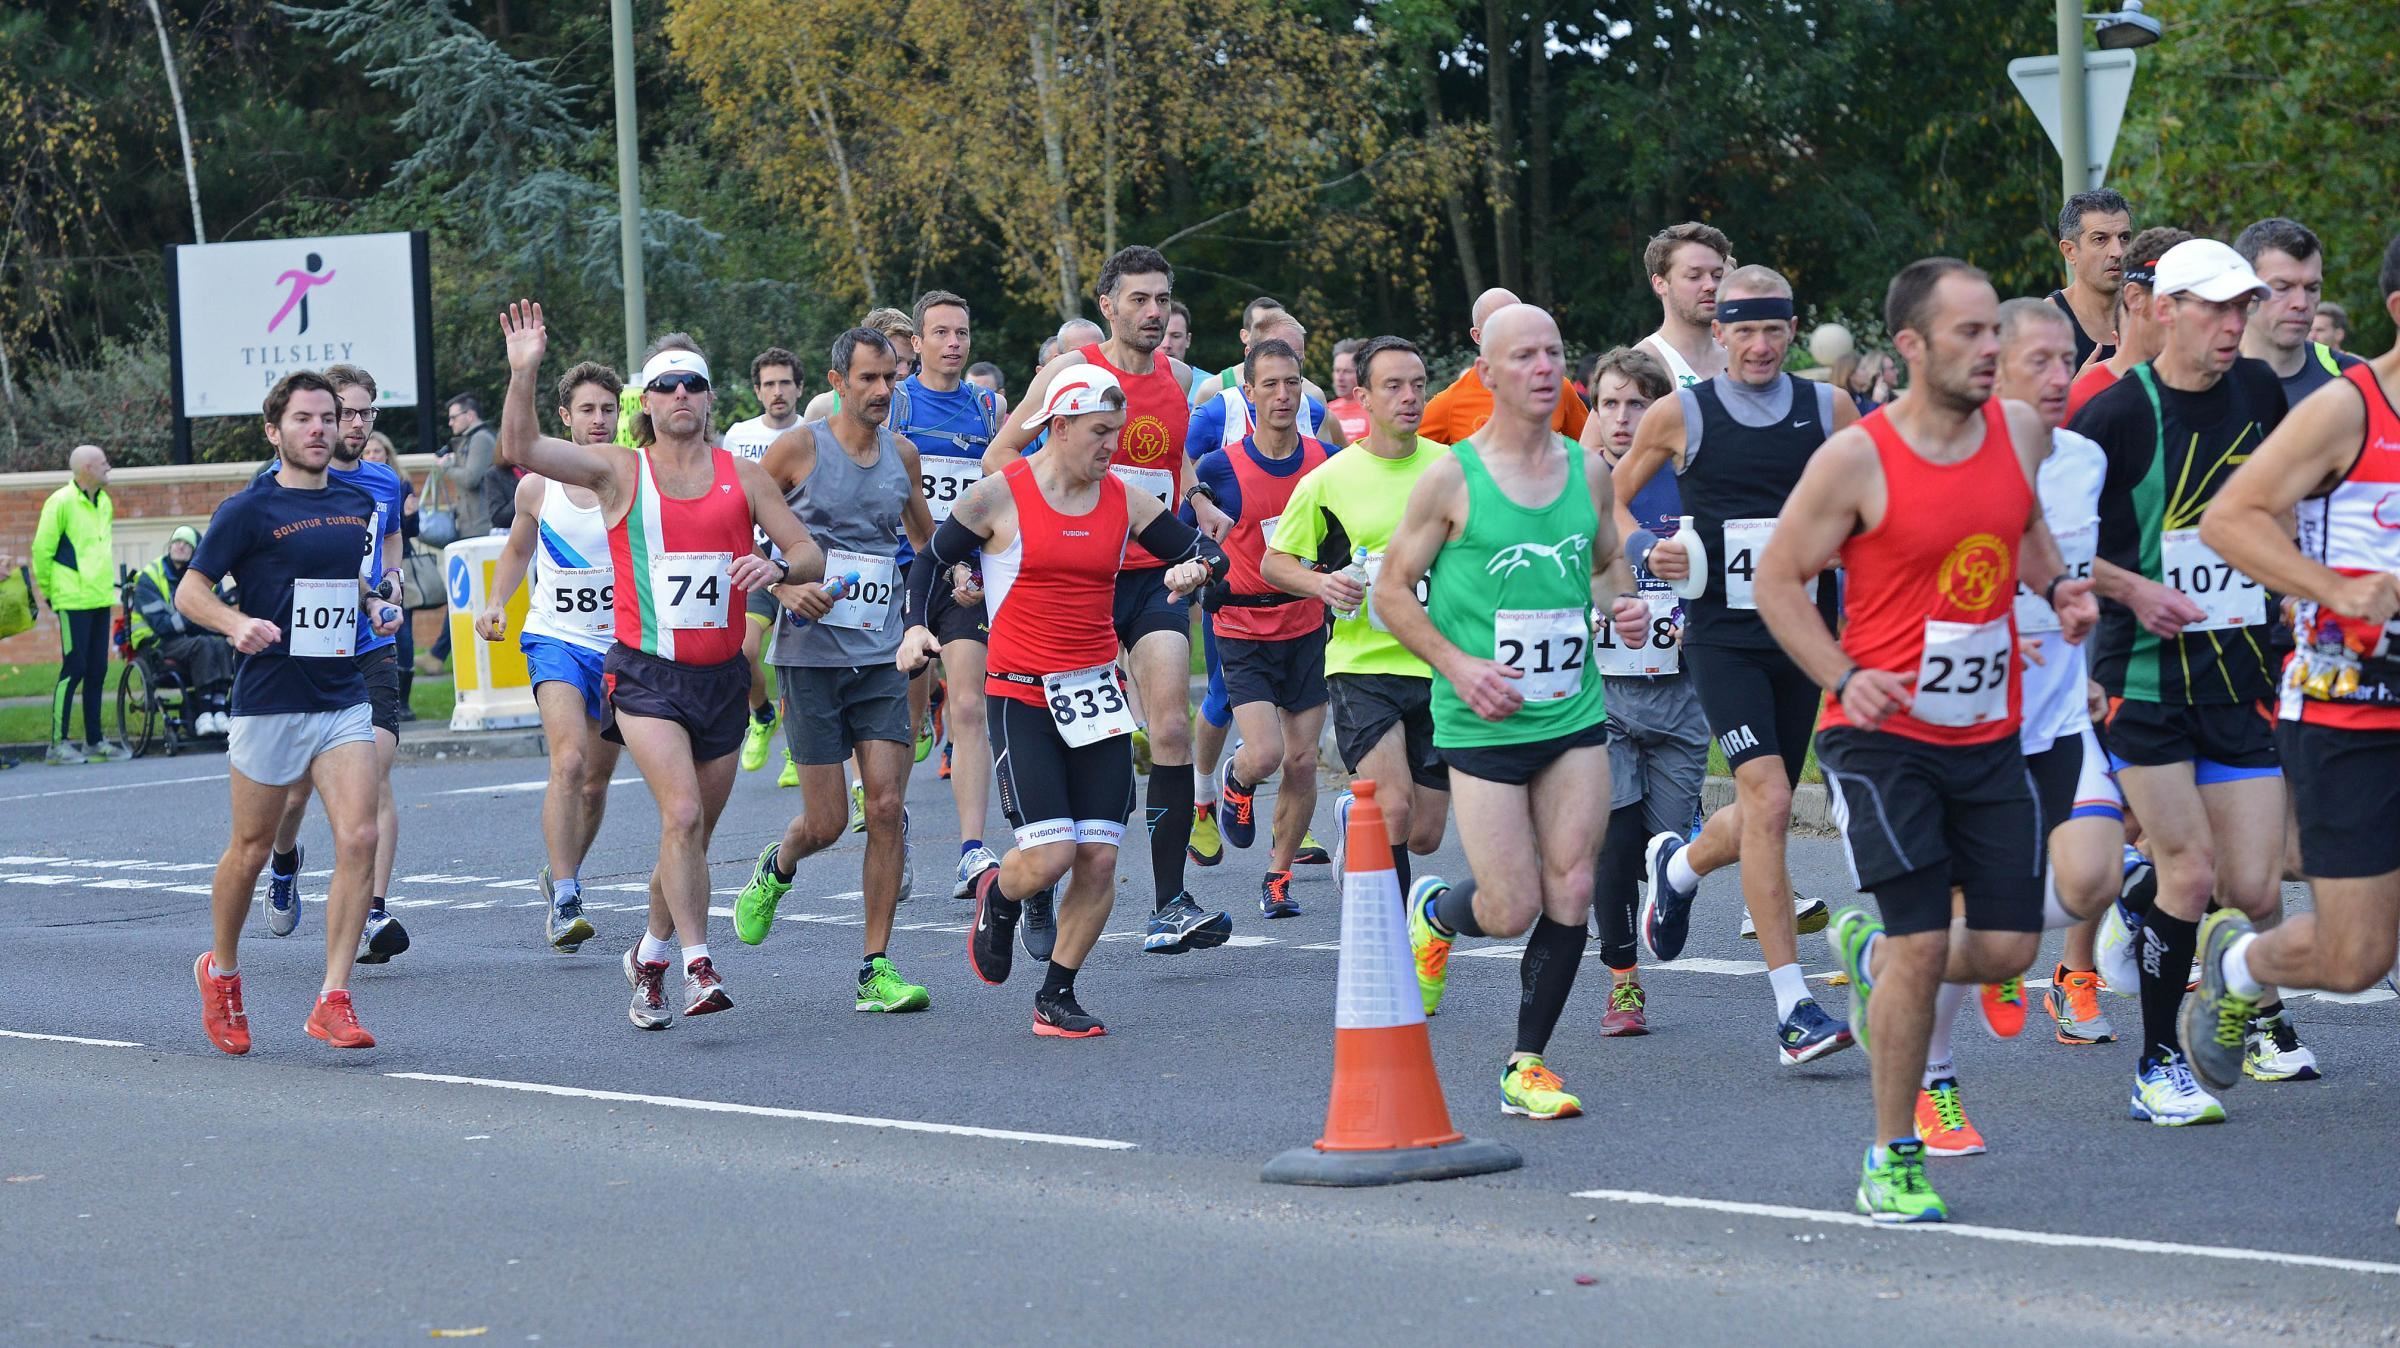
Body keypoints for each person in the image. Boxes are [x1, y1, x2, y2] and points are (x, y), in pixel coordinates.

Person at [1766, 258, 2093, 1224]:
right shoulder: (1858, 458)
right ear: (1910, 346)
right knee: (1922, 940)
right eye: (1969, 335)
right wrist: (1839, 675)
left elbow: (2022, 524)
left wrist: (2059, 585)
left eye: (1996, 331)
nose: (1991, 350)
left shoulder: (2023, 432)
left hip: (1989, 728)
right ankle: (1891, 1154)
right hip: (1881, 735)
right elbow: (1781, 580)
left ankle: (1871, 963)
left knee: (2004, 946)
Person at [495, 302, 826, 1028]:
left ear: (710, 400)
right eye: (667, 386)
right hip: (644, 676)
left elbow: (808, 553)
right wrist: (525, 372)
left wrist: (771, 567)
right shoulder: (618, 471)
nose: (681, 397)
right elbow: (519, 444)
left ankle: (648, 954)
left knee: (692, 838)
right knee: (678, 814)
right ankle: (698, 967)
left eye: (693, 386)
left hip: (721, 683)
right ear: (646, 404)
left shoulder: (745, 477)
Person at [1384, 302, 1649, 1122]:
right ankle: (1439, 912)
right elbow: (1392, 592)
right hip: (1482, 717)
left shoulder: (1588, 469)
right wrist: (1459, 665)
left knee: (1572, 883)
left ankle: (1526, 1063)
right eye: (1525, 356)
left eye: (1554, 353)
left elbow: (1603, 568)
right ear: (1488, 373)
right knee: (1510, 907)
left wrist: (1625, 605)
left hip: (1570, 711)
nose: (1544, 368)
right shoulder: (1449, 477)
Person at [911, 367, 1226, 1036]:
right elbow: (930, 559)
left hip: (1097, 697)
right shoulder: (1000, 495)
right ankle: (1000, 896)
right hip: (1021, 696)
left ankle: (1056, 994)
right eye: (1100, 432)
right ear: (1058, 426)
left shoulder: (1125, 499)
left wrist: (1197, 567)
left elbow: (1202, 549)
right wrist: (918, 626)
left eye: (1116, 431)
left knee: (1101, 857)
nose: (1114, 445)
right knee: (1051, 857)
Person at [2069, 237, 2302, 1121]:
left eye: (2242, 307)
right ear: (2165, 309)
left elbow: (2282, 504)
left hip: (2241, 676)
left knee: (2257, 886)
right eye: (2216, 308)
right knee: (2193, 871)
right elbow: (2046, 545)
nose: (2234, 324)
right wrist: (2133, 587)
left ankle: (2212, 971)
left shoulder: (2259, 391)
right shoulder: (2117, 415)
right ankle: (2158, 1062)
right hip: (2143, 680)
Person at [1613, 264, 1858, 1064]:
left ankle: (1679, 866)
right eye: (1742, 329)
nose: (1758, 344)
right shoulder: (1680, 412)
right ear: (1717, 333)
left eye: (1772, 329)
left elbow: (1866, 513)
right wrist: (1655, 547)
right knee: (1773, 797)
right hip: (1721, 638)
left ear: (1793, 331)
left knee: (1766, 810)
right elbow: (1608, 501)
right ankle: (1793, 1010)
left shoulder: (1831, 409)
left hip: (1804, 634)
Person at [2186, 233, 2400, 1107]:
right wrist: (2336, 592)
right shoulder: (2348, 409)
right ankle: (2238, 964)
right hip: (2349, 712)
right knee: (2356, 957)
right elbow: (2230, 519)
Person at [983, 245, 1233, 954]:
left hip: (1152, 574)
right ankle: (1030, 879)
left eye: (1162, 300)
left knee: (1171, 728)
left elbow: (1168, 460)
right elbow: (1001, 456)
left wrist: (1196, 502)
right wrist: (1069, 502)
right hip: (1075, 576)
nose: (1153, 313)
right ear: (1108, 307)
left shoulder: (1183, 377)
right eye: (1139, 300)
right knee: (1060, 733)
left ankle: (1169, 904)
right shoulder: (1072, 372)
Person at [180, 369, 407, 1055]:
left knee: (360, 838)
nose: (319, 429)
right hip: (270, 700)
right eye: (304, 419)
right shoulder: (248, 510)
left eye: (327, 418)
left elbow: (349, 582)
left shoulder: (354, 502)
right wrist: (233, 623)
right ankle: (220, 972)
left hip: (339, 694)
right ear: (274, 431)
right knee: (250, 850)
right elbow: (191, 589)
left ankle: (333, 997)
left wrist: (374, 605)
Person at [737, 327, 940, 1010]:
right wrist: (783, 587)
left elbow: (926, 542)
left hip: (881, 655)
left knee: (884, 807)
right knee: (824, 823)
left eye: (890, 378)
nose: (883, 391)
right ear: (837, 381)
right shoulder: (800, 447)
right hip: (810, 658)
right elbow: (738, 520)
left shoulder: (902, 456)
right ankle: (779, 864)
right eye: (869, 379)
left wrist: (940, 596)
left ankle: (874, 967)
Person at [1264, 336, 1453, 893]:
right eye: (1393, 386)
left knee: (1425, 833)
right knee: (1394, 808)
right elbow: (1275, 563)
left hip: (1438, 664)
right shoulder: (1329, 478)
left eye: (1418, 385)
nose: (1409, 398)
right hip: (1361, 662)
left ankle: (1354, 812)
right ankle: (1396, 946)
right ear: (1364, 398)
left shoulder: (1453, 469)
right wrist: (1322, 583)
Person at [254, 363, 413, 966]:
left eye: (365, 412)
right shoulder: (278, 484)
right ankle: (286, 862)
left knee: (374, 772)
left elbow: (391, 539)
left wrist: (390, 582)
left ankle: (372, 911)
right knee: (293, 794)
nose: (354, 423)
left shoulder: (383, 482)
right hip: (308, 650)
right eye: (344, 411)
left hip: (370, 644)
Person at [477, 359, 628, 952]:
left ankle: (563, 869)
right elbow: (517, 550)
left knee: (594, 783)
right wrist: (495, 602)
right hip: (557, 639)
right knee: (566, 763)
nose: (598, 420)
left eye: (608, 409)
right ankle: (565, 897)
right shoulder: (536, 486)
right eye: (587, 409)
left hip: (620, 648)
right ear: (565, 417)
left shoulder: (635, 478)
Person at [1184, 307, 1339, 870]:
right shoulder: (1221, 468)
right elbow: (1185, 527)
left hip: (1305, 626)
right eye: (1269, 385)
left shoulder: (1326, 462)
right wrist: (1201, 559)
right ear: (1248, 393)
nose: (1283, 396)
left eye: (1292, 384)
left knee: (1302, 762)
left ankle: (1278, 877)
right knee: (1268, 754)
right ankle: (1235, 776)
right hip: (1242, 627)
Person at [1577, 346, 1703, 1036]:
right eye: (1609, 404)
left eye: (1637, 404)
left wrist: (1695, 622)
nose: (1622, 418)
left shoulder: (1690, 480)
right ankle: (1623, 983)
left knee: (1668, 849)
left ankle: (1667, 891)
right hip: (1604, 697)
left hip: (1683, 695)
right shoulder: (1574, 486)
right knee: (1617, 845)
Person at [887, 290, 1007, 895]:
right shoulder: (898, 404)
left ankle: (971, 848)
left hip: (963, 580)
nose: (953, 343)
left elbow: (1000, 488)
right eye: (940, 333)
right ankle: (894, 831)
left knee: (967, 707)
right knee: (905, 719)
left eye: (961, 333)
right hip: (908, 575)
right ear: (917, 343)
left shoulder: (988, 409)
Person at [725, 347, 805, 779]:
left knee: (797, 662)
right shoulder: (737, 435)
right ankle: (761, 713)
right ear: (757, 391)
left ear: (799, 388)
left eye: (785, 383)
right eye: (769, 384)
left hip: (799, 561)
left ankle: (798, 746)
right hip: (755, 563)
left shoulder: (812, 432)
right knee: (745, 650)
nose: (777, 392)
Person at [33, 443, 125, 765]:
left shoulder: (105, 502)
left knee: (98, 670)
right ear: (87, 468)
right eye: (103, 463)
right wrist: (51, 593)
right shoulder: (59, 502)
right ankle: (57, 744)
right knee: (75, 667)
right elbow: (41, 552)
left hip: (100, 596)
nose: (108, 467)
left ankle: (94, 741)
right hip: (72, 599)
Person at [1419, 288, 1592, 444]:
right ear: (1477, 336)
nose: (1514, 331)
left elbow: (1593, 446)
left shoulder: (1557, 386)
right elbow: (1406, 453)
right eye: (1500, 324)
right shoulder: (1452, 401)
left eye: (1521, 323)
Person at [2233, 217, 2366, 409]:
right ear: (2244, 291)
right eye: (2283, 287)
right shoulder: (2208, 379)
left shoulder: (2354, 379)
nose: (2301, 303)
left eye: (2312, 288)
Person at [2065, 227, 2190, 422]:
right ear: (2135, 298)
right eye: (2179, 301)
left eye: (2124, 237)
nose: (2117, 251)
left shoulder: (2218, 387)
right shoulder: (2082, 402)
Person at [127, 525, 236, 735]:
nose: (180, 546)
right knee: (203, 644)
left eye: (187, 544)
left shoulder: (208, 578)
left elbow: (217, 620)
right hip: (158, 644)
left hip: (192, 640)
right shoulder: (150, 577)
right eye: (176, 541)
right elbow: (163, 626)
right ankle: (204, 714)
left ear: (196, 551)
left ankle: (219, 710)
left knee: (221, 644)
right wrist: (198, 615)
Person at [1638, 222, 1732, 388]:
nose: (1711, 285)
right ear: (1660, 283)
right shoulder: (1638, 366)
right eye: (1694, 276)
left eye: (1717, 275)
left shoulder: (1740, 360)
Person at [2050, 188, 2135, 369]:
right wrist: (2078, 391)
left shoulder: (2148, 314)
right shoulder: (2044, 323)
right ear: (2069, 251)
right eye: (2100, 239)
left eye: (2124, 237)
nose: (2118, 251)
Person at [804, 307, 917, 421]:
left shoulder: (912, 407)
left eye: (909, 363)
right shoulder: (824, 407)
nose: (905, 371)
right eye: (896, 361)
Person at [442, 393, 499, 539]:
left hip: (481, 525)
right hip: (475, 524)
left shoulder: (480, 439)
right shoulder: (472, 439)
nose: (450, 423)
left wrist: (447, 467)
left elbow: (470, 479)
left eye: (453, 417)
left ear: (470, 415)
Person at [1326, 337, 1370, 441]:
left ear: (1362, 373)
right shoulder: (1327, 410)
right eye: (1337, 371)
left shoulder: (1376, 409)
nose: (1340, 378)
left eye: (1347, 371)